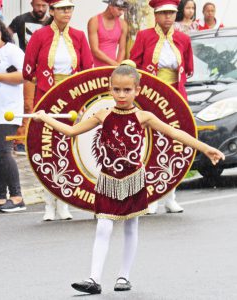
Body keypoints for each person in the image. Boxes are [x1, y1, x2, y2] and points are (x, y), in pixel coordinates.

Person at [32, 62, 224, 294]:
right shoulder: (102, 114)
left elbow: (175, 133)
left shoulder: (144, 117)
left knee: (131, 226)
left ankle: (124, 276)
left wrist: (205, 148)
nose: (121, 95)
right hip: (108, 181)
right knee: (103, 227)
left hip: (134, 180)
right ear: (109, 88)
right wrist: (44, 118)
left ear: (137, 90)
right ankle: (93, 279)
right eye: (117, 90)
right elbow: (72, 131)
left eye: (127, 90)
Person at [23, 0, 93, 221]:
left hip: (72, 99)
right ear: (51, 11)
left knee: (67, 150)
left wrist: (81, 98)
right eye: (62, 8)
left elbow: (87, 70)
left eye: (70, 8)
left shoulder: (80, 36)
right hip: (46, 98)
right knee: (47, 149)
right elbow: (27, 70)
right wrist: (44, 81)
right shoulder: (39, 36)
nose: (67, 12)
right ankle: (48, 204)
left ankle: (64, 202)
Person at [130, 0, 193, 214]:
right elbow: (133, 65)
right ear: (155, 15)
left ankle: (170, 196)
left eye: (171, 13)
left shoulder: (183, 39)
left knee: (175, 145)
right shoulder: (144, 36)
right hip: (151, 99)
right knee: (150, 145)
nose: (168, 17)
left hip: (176, 99)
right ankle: (150, 196)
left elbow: (188, 68)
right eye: (163, 13)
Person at [0, 17, 26, 213]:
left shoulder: (11, 51)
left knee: (3, 151)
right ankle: (0, 197)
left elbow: (25, 75)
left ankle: (17, 197)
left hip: (7, 111)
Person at [8, 0, 49, 155]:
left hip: (46, 69)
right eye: (37, 5)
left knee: (46, 104)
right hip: (27, 68)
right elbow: (6, 35)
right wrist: (13, 56)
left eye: (43, 6)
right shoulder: (20, 19)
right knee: (27, 104)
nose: (40, 9)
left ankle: (42, 139)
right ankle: (20, 141)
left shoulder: (52, 21)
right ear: (31, 4)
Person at [87, 0, 128, 67]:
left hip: (114, 66)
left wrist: (118, 66)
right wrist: (114, 64)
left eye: (123, 10)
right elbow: (95, 50)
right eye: (119, 9)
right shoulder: (94, 21)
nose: (121, 13)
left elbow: (122, 49)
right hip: (96, 66)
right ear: (110, 6)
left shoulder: (123, 24)